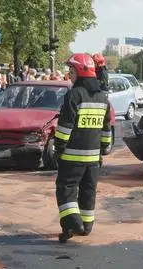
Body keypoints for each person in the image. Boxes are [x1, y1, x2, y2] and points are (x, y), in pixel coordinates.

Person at [54, 53, 112, 243]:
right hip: (93, 159)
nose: (69, 75)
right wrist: (104, 148)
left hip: (72, 157)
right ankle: (86, 226)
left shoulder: (74, 94)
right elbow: (106, 127)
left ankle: (74, 223)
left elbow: (65, 126)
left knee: (66, 189)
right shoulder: (103, 97)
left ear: (79, 72)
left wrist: (59, 147)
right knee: (88, 191)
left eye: (71, 71)